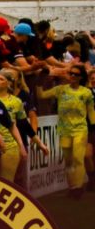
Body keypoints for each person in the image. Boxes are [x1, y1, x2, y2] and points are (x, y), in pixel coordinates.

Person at [37, 64, 95, 198]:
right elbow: (41, 95)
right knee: (68, 161)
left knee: (78, 158)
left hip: (80, 129)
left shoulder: (86, 92)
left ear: (81, 77)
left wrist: (94, 126)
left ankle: (79, 188)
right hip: (64, 129)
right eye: (71, 73)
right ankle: (73, 187)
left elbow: (91, 112)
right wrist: (40, 82)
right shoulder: (60, 90)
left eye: (76, 74)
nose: (72, 76)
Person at [0, 69, 33, 183]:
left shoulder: (16, 102)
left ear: (9, 83)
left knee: (7, 182)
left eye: (1, 79)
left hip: (10, 145)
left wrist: (24, 145)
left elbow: (23, 124)